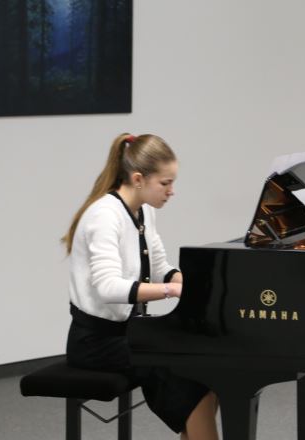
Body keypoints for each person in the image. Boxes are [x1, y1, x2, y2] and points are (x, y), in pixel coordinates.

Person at [61, 133, 219, 440]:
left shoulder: (144, 210)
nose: (172, 191)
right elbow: (108, 288)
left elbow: (159, 267)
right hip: (95, 343)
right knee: (180, 370)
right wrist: (173, 291)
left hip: (130, 331)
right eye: (165, 183)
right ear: (137, 179)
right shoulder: (104, 216)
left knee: (204, 367)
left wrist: (191, 284)